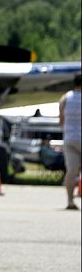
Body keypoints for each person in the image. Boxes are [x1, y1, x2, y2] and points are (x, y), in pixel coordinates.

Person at [59, 74, 81, 210]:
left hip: (70, 138)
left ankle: (70, 201)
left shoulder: (65, 97)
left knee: (71, 171)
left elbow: (61, 118)